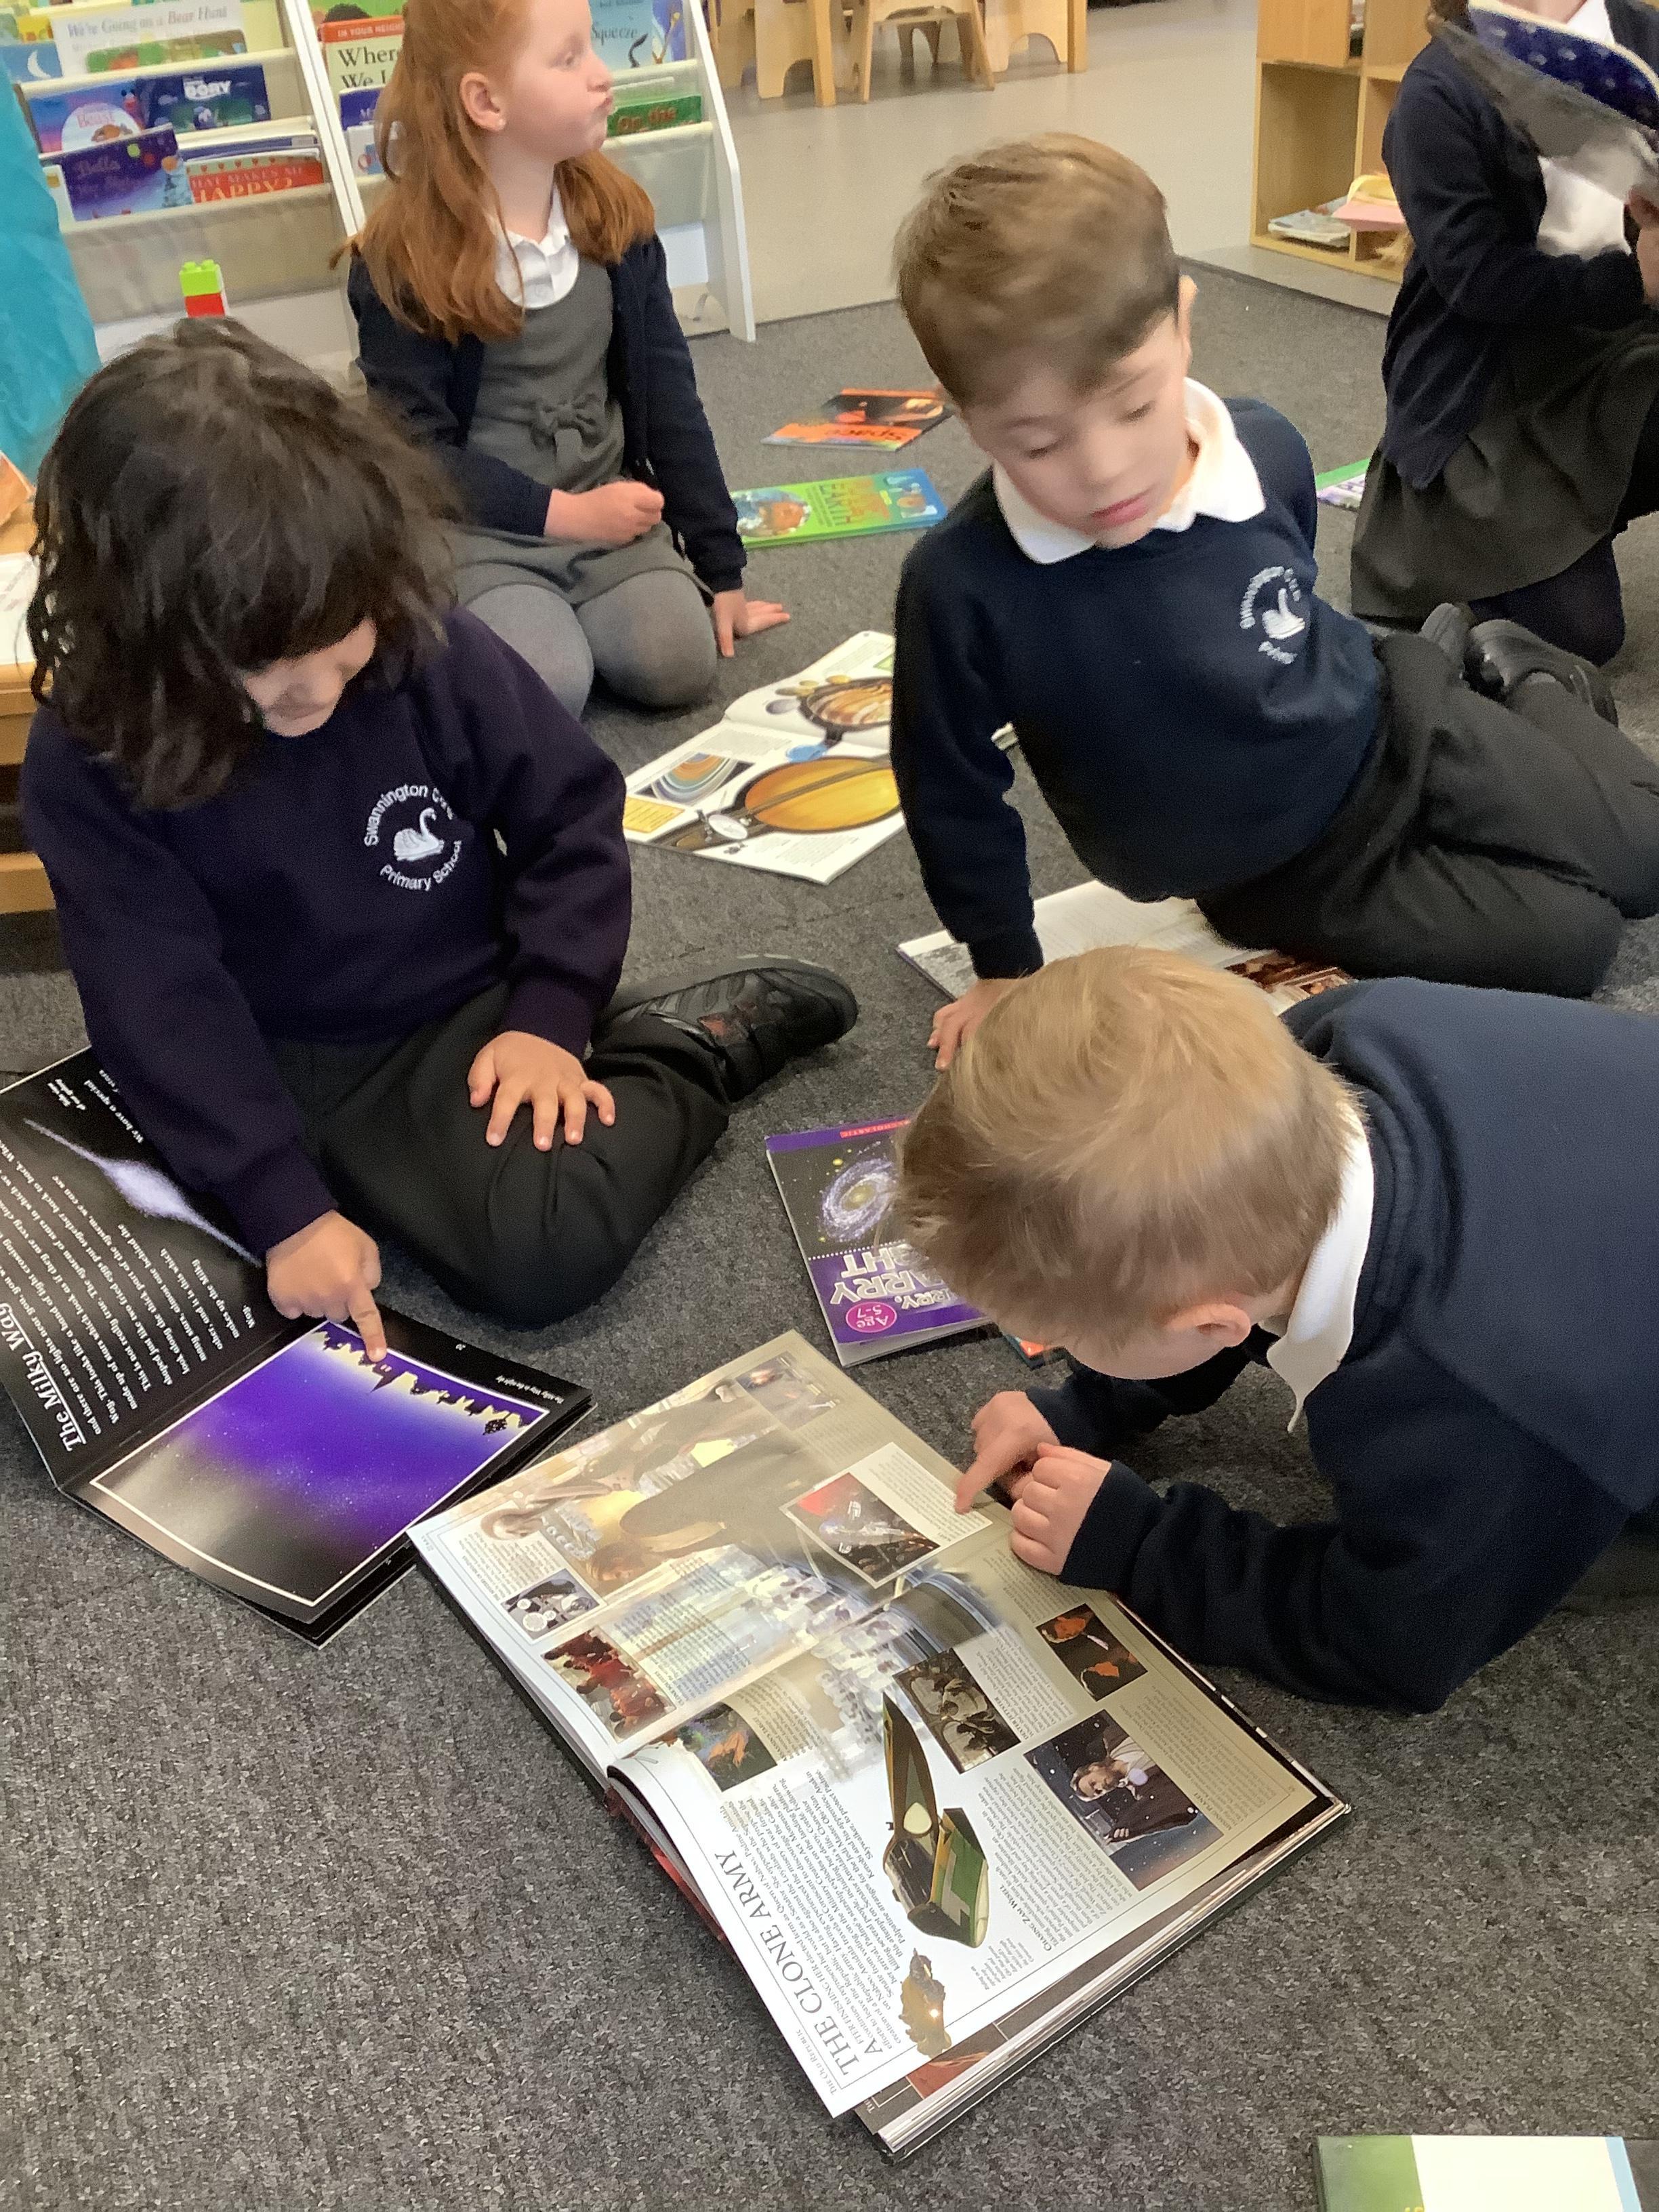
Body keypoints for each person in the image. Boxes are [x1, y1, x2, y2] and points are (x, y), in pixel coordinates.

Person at [20, 320, 856, 1343]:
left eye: (339, 648)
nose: (317, 693)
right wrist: (282, 1206)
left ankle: (687, 1049)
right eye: (267, 673)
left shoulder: (424, 642)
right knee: (159, 1249)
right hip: (271, 1043)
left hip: (463, 1001)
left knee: (540, 1253)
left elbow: (569, 816)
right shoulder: (91, 751)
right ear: (143, 634)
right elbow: (155, 997)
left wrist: (549, 1012)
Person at [887, 134, 1659, 1066]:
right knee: (1575, 943)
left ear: (1183, 323)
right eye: (1040, 444)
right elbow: (950, 788)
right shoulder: (960, 587)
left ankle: (1518, 675)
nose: (1104, 470)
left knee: (1645, 857)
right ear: (965, 415)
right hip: (1284, 874)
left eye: (1134, 406)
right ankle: (1487, 681)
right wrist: (1004, 966)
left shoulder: (1262, 447)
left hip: (1402, 717)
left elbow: (1287, 590)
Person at [895, 946, 1659, 1713]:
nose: (1060, 1351)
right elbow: (1221, 1249)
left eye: (1064, 1336)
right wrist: (1088, 1405)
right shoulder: (1338, 1033)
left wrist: (1143, 1546)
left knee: (1491, 1554)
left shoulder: (1478, 1398)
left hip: (1559, 1397)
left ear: (1212, 1323)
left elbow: (1387, 1648)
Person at [346, 0, 787, 719]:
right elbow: (418, 457)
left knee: (676, 661)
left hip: (610, 516)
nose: (603, 75)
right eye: (569, 57)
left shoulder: (616, 222)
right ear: (486, 102)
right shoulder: (404, 262)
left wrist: (721, 567)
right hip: (483, 532)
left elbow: (670, 400)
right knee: (548, 683)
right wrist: (566, 516)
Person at [1351, 0, 1659, 665]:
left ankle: (1577, 518)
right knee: (1583, 638)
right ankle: (1500, 539)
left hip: (1619, 346)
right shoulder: (1439, 90)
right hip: (1490, 385)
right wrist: (1634, 281)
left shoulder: (1643, 34)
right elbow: (1477, 280)